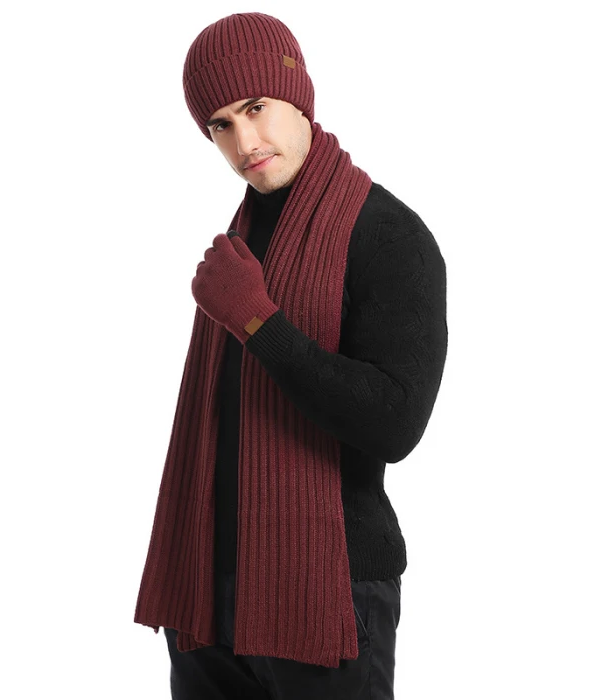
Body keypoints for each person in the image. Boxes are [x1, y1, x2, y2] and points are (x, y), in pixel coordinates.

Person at [133, 11, 448, 699]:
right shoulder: (242, 238)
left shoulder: (388, 236)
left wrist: (257, 319)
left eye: (255, 108)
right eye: (220, 125)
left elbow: (395, 424)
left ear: (298, 93)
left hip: (328, 592)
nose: (244, 142)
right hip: (208, 594)